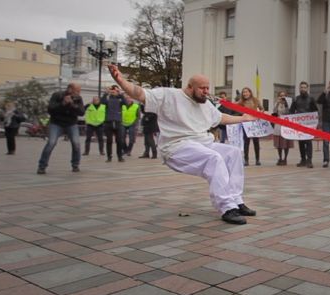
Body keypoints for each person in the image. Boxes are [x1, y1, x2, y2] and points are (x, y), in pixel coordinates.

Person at [107, 64, 258, 225]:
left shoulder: (205, 103)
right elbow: (140, 93)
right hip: (176, 146)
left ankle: (236, 200)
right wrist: (121, 81)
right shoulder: (169, 95)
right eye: (202, 88)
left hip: (202, 143)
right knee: (214, 158)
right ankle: (227, 208)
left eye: (207, 88)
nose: (206, 91)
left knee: (233, 153)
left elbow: (220, 118)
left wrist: (243, 118)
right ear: (190, 87)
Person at [37, 83, 84, 174]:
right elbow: (50, 110)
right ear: (70, 89)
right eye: (77, 91)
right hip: (56, 123)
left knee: (76, 143)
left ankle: (75, 165)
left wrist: (72, 104)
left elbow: (81, 112)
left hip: (71, 123)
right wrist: (63, 103)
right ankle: (42, 166)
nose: (79, 93)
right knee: (51, 143)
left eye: (79, 91)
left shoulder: (78, 99)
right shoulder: (57, 95)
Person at [289, 81, 318, 168]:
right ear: (299, 88)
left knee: (308, 142)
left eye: (304, 87)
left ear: (307, 88)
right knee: (301, 143)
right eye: (301, 87)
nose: (303, 89)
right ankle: (303, 160)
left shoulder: (311, 99)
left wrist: (315, 122)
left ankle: (309, 160)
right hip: (299, 124)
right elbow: (291, 111)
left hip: (309, 124)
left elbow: (315, 111)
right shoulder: (296, 99)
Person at [238, 87, 263, 166]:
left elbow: (262, 109)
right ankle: (246, 160)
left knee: (256, 142)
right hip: (246, 124)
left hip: (255, 124)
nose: (245, 93)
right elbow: (236, 109)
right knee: (246, 142)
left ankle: (257, 159)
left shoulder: (255, 100)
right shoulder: (241, 102)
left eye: (246, 92)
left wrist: (259, 113)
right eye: (243, 92)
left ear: (250, 92)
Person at [102, 86, 126, 162]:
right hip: (108, 122)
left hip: (118, 122)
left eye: (115, 91)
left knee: (119, 141)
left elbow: (125, 102)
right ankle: (109, 157)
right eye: (112, 91)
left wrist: (121, 94)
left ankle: (120, 156)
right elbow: (102, 102)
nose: (113, 92)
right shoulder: (108, 100)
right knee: (109, 141)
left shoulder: (120, 100)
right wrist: (105, 93)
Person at [272, 91, 294, 165]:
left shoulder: (288, 104)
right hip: (278, 124)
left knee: (286, 143)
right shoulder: (277, 104)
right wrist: (278, 103)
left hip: (286, 124)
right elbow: (274, 112)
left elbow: (290, 112)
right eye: (281, 96)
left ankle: (285, 158)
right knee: (279, 143)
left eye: (284, 95)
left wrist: (286, 104)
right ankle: (280, 158)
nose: (282, 97)